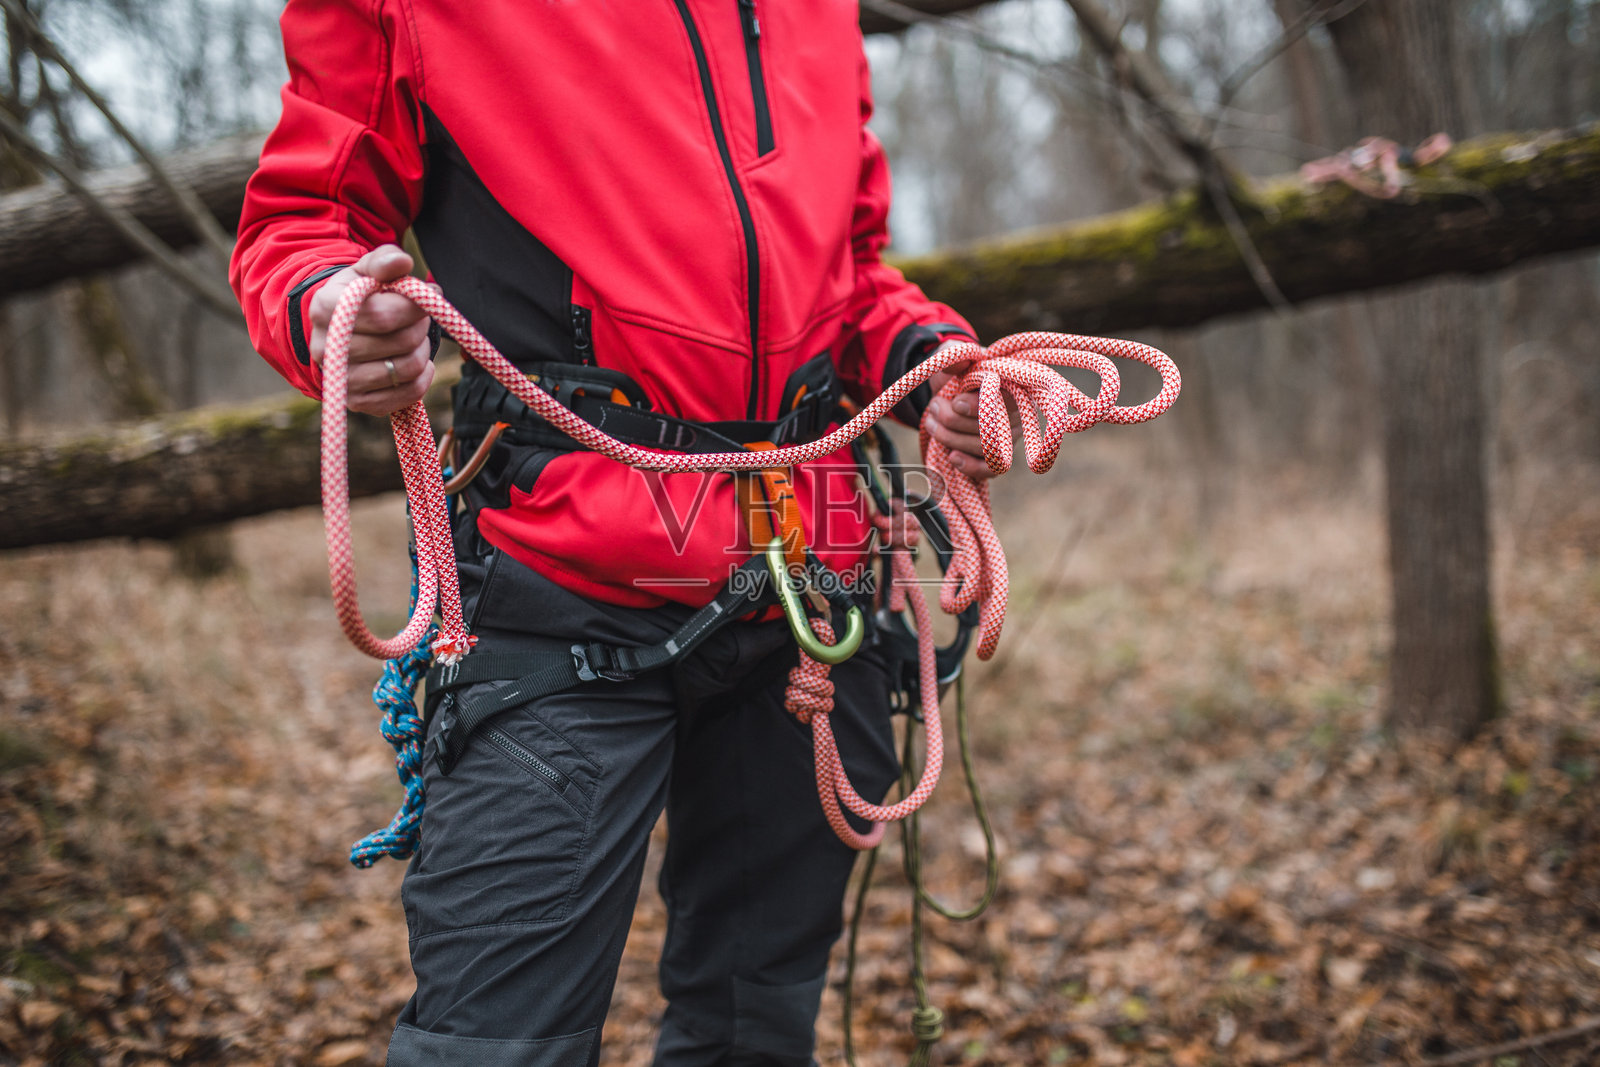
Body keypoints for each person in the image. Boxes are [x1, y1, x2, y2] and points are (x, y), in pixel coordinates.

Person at [230, 3, 1013, 1064]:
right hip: (557, 572)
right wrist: (324, 309)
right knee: (496, 1043)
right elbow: (301, 220)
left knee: (756, 1022)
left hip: (807, 583)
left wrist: (937, 364)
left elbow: (852, 275)